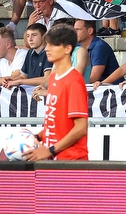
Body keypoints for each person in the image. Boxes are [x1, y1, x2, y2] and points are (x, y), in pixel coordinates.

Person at [25, 26, 88, 161]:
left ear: (67, 49)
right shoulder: (53, 78)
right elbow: (55, 122)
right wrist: (37, 137)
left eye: (53, 45)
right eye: (47, 44)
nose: (47, 49)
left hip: (71, 161)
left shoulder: (74, 80)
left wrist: (50, 150)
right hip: (53, 159)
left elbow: (81, 128)